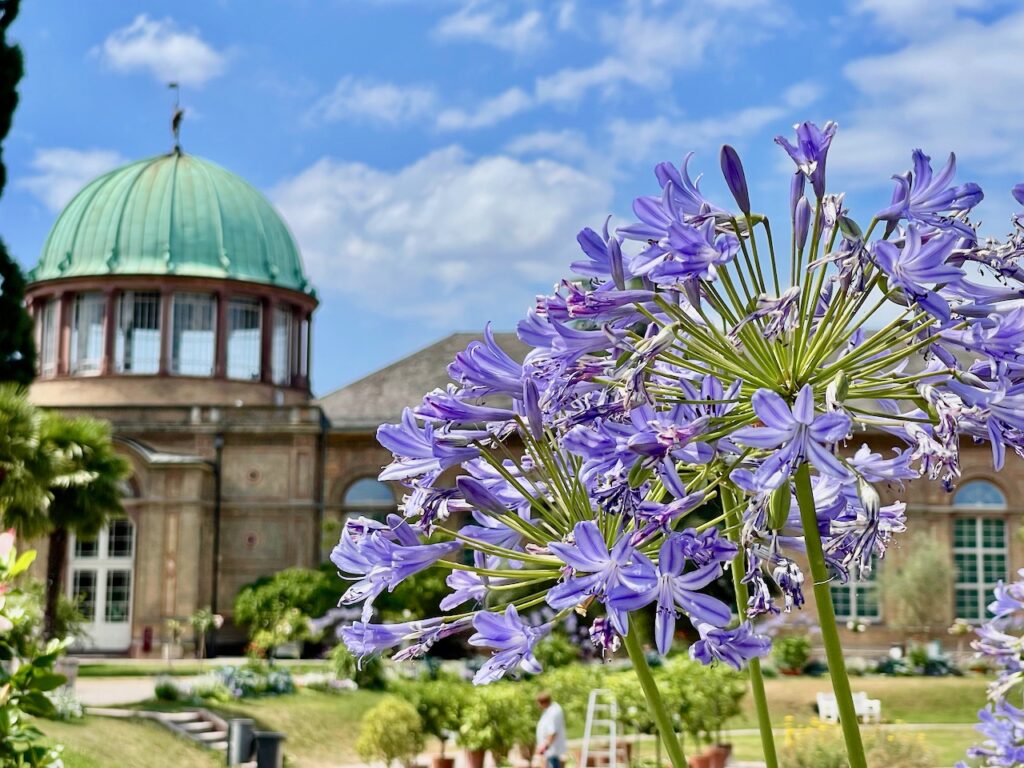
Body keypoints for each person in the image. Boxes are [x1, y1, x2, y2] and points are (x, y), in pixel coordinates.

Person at [534, 691, 566, 768]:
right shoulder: (549, 710)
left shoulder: (553, 711)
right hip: (549, 752)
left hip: (551, 750)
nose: (538, 706)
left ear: (543, 702)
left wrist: (543, 748)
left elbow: (552, 732)